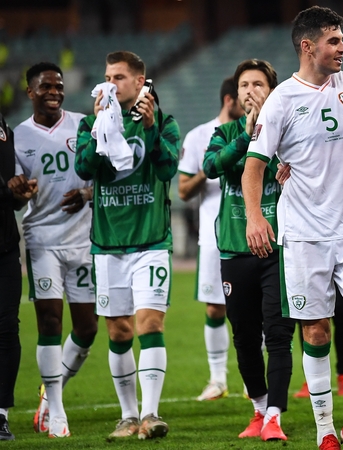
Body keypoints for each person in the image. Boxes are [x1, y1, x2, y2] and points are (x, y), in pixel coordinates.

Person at [243, 7, 343, 450]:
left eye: (341, 40)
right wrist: (255, 216)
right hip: (303, 232)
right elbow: (253, 167)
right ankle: (325, 430)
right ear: (308, 46)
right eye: (335, 41)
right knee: (316, 330)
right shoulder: (281, 100)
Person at [75, 50, 180, 440]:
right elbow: (85, 168)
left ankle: (151, 414)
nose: (110, 83)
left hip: (151, 241)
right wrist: (103, 127)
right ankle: (128, 416)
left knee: (150, 323)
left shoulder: (164, 123)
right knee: (118, 331)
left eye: (119, 77)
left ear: (140, 82)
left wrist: (150, 129)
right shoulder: (90, 123)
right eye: (107, 76)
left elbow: (167, 168)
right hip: (108, 244)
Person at [203, 58, 296, 441]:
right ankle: (258, 408)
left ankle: (274, 414)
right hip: (235, 251)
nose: (250, 91)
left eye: (258, 84)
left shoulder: (288, 131)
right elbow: (211, 167)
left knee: (277, 333)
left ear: (271, 91)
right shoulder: (224, 132)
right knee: (243, 335)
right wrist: (247, 136)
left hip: (278, 249)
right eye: (244, 85)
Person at [10, 62, 96, 439]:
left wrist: (86, 193)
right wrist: (17, 190)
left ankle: (48, 395)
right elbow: (15, 193)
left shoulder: (83, 125)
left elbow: (103, 175)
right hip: (43, 237)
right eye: (46, 87)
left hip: (83, 239)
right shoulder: (18, 136)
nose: (54, 92)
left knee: (88, 328)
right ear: (31, 92)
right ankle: (57, 411)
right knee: (49, 323)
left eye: (58, 86)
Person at [178, 76, 244, 401]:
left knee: (256, 307)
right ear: (230, 99)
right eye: (244, 94)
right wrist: (212, 165)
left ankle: (251, 379)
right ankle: (217, 379)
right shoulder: (200, 135)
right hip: (213, 234)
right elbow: (183, 190)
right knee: (215, 308)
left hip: (252, 231)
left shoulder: (259, 131)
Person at [0, 110, 28, 442]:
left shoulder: (4, 124)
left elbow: (9, 184)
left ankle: (1, 413)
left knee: (7, 326)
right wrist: (11, 193)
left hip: (5, 244)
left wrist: (19, 194)